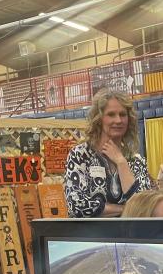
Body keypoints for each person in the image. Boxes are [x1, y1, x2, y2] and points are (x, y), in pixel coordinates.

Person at [65, 88, 152, 217]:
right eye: (111, 114)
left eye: (123, 115)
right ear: (99, 119)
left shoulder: (135, 159)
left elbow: (145, 206)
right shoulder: (80, 155)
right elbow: (77, 206)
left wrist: (121, 163)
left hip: (129, 236)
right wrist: (124, 210)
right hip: (90, 236)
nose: (118, 120)